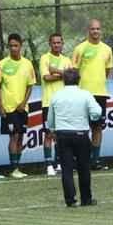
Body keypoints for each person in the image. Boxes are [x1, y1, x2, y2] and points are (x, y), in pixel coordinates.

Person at [46, 68, 102, 207]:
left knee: (66, 169)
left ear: (64, 80)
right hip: (81, 133)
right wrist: (91, 117)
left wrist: (52, 129)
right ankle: (86, 199)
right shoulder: (85, 94)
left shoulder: (56, 95)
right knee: (84, 167)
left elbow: (50, 118)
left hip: (62, 134)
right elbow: (97, 112)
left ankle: (70, 200)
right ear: (79, 80)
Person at [71, 19, 113, 169]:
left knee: (97, 127)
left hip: (100, 94)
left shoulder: (107, 49)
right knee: (81, 129)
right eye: (92, 29)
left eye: (98, 29)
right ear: (87, 31)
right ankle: (81, 160)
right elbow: (74, 71)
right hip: (83, 94)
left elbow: (107, 70)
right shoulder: (79, 49)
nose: (95, 31)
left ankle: (95, 160)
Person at [0, 33, 38, 178]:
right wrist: (0, 107)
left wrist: (24, 103)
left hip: (22, 108)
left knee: (21, 137)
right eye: (11, 46)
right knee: (14, 136)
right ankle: (14, 168)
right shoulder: (1, 64)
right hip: (8, 108)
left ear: (20, 46)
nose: (13, 48)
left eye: (16, 46)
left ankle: (17, 167)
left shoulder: (27, 64)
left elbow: (30, 85)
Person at [38, 32, 73, 176]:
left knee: (62, 134)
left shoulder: (67, 60)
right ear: (49, 43)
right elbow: (46, 77)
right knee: (49, 134)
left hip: (64, 102)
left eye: (59, 43)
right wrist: (63, 75)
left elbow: (72, 77)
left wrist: (57, 72)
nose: (57, 45)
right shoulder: (44, 58)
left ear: (62, 44)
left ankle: (59, 163)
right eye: (54, 43)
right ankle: (48, 165)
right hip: (49, 102)